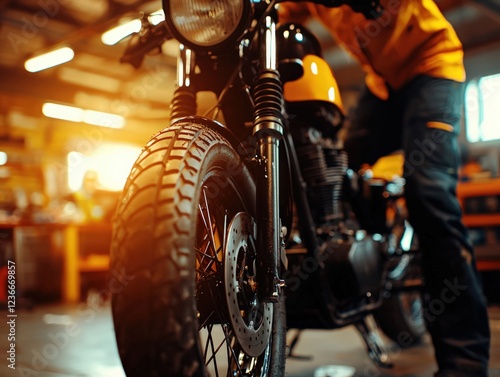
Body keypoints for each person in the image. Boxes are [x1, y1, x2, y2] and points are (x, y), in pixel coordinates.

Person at [279, 1, 491, 376]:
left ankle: (465, 359)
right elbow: (281, 10)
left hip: (432, 66)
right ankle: (369, 260)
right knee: (335, 170)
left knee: (429, 194)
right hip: (383, 84)